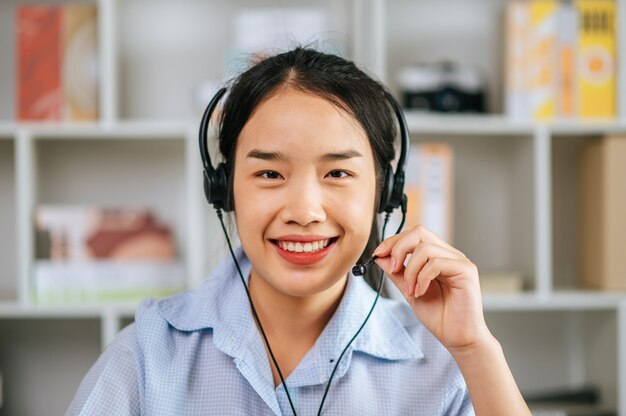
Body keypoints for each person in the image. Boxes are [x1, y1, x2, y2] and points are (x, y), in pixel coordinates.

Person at [67, 47, 531, 415]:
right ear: (224, 189)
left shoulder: (443, 363)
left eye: (337, 174)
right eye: (270, 174)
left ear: (383, 192)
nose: (305, 211)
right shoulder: (149, 354)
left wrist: (475, 350)